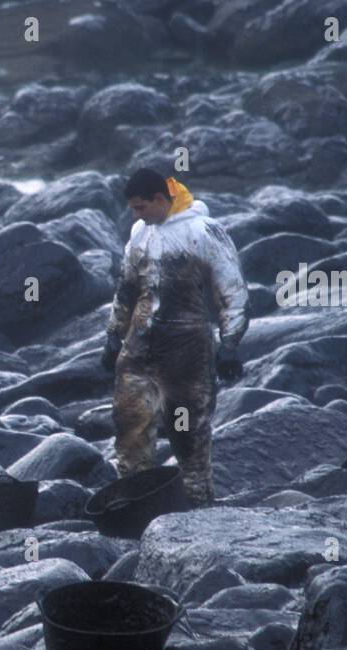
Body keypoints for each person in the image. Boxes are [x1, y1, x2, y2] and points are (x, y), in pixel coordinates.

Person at [103, 168, 248, 506]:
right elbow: (126, 289)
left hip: (186, 352)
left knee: (187, 432)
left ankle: (198, 503)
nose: (136, 215)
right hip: (139, 348)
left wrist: (229, 344)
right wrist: (114, 336)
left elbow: (232, 291)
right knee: (130, 425)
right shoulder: (141, 233)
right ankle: (136, 503)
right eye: (133, 209)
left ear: (159, 199)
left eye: (140, 207)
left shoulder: (204, 232)